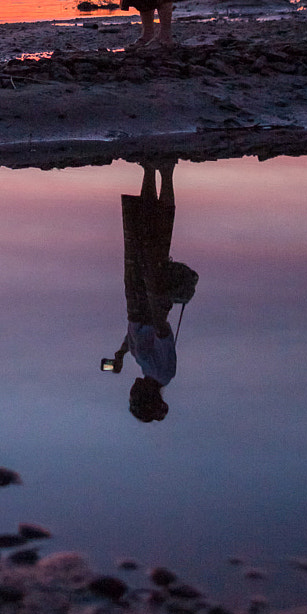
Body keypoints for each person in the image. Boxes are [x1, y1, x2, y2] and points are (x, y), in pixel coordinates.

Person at [101, 161, 181, 423]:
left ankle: (149, 170)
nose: (130, 392)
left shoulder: (147, 368)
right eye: (133, 397)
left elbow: (135, 335)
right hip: (147, 301)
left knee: (140, 232)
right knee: (158, 236)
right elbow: (161, 331)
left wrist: (122, 353)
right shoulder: (163, 372)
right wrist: (153, 291)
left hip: (136, 304)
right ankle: (166, 171)